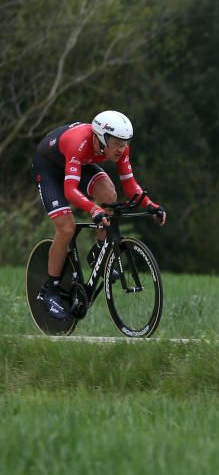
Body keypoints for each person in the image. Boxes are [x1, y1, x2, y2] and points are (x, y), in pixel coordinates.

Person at [32, 110, 166, 320]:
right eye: (117, 143)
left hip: (78, 165)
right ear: (101, 137)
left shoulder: (120, 149)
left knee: (109, 193)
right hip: (49, 168)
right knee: (66, 228)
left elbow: (129, 185)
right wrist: (93, 209)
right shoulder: (79, 141)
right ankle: (50, 290)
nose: (122, 149)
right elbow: (69, 190)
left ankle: (98, 252)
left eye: (125, 143)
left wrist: (150, 205)